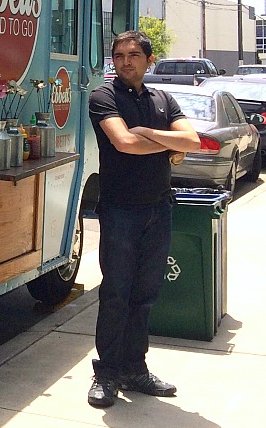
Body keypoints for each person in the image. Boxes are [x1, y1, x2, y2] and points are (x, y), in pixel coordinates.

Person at [86, 30, 200, 408]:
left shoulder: (163, 98)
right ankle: (106, 375)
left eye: (133, 54)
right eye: (118, 55)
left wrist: (149, 133)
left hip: (159, 209)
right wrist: (168, 143)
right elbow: (123, 143)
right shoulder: (104, 96)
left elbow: (194, 142)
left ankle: (135, 370)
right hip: (120, 211)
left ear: (148, 60)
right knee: (116, 293)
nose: (125, 61)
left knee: (145, 295)